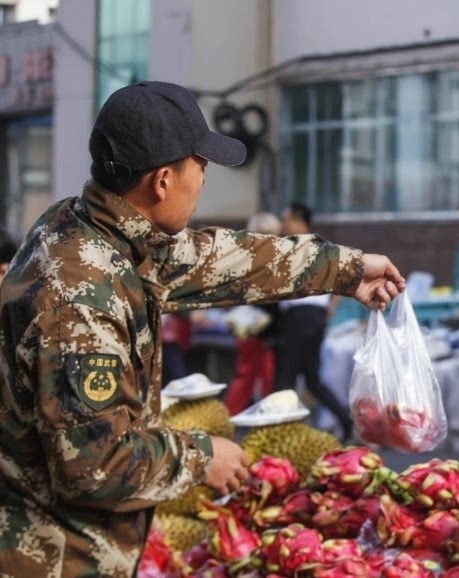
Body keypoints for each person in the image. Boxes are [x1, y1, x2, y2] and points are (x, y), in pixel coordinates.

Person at [0, 81, 405, 577]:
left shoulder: (91, 229)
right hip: (50, 559)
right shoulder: (81, 301)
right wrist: (201, 458)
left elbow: (225, 260)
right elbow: (92, 465)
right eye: (201, 167)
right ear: (163, 181)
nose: (203, 181)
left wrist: (347, 269)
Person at [274, 201, 356, 441]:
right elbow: (345, 277)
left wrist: (329, 306)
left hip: (299, 317)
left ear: (298, 221)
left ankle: (280, 434)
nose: (282, 225)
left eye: (285, 220)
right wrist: (328, 308)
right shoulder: (322, 247)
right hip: (313, 317)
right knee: (311, 379)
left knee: (286, 377)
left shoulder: (294, 248)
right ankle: (345, 421)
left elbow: (346, 275)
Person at [221, 212, 284, 415]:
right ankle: (237, 417)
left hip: (251, 328)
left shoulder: (246, 258)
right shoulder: (264, 261)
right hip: (258, 331)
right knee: (256, 378)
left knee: (250, 378)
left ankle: (234, 416)